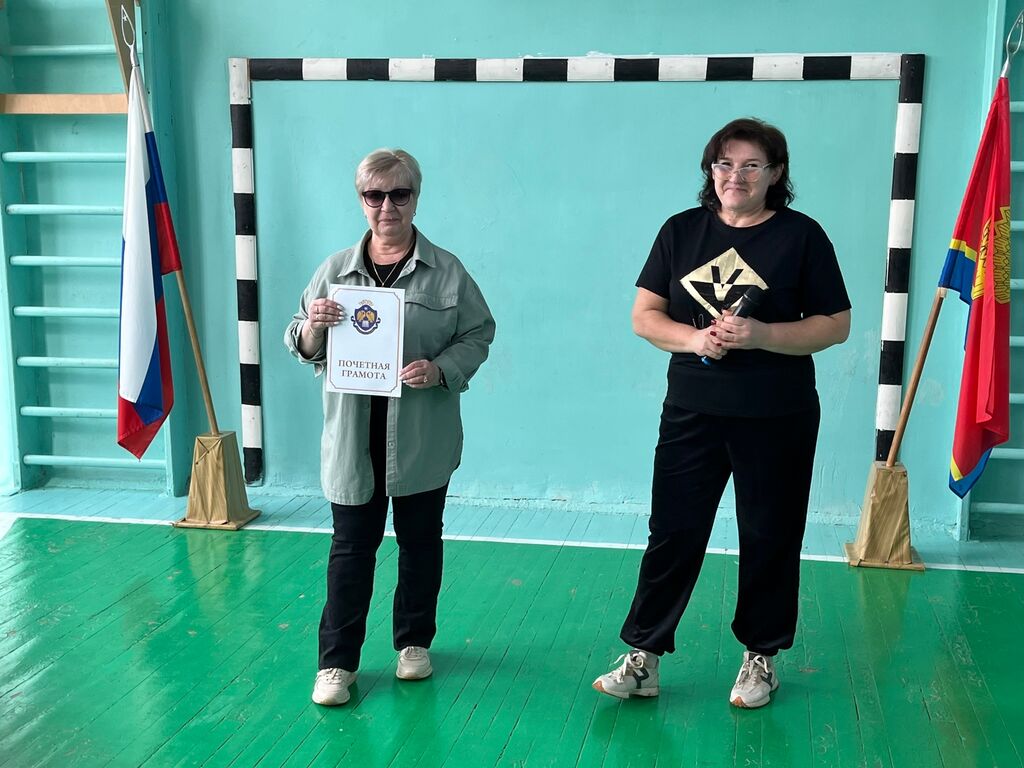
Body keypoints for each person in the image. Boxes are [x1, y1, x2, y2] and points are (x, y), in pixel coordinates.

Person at [593, 118, 851, 708]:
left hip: (778, 414)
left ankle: (762, 657)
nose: (736, 175)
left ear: (775, 174)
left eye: (752, 165)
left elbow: (836, 324)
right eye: (725, 164)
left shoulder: (802, 236)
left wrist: (762, 335)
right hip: (692, 410)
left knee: (771, 533)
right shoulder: (680, 231)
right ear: (711, 171)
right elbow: (644, 316)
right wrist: (695, 339)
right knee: (673, 531)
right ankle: (644, 656)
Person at [285, 148, 495, 706]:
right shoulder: (333, 272)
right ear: (361, 200)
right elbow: (299, 339)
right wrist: (313, 328)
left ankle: (413, 643)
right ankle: (337, 663)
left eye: (399, 194)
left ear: (415, 198)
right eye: (374, 196)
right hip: (353, 440)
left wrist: (441, 369)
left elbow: (478, 333)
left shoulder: (448, 272)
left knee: (421, 544)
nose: (386, 207)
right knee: (350, 551)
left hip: (422, 438)